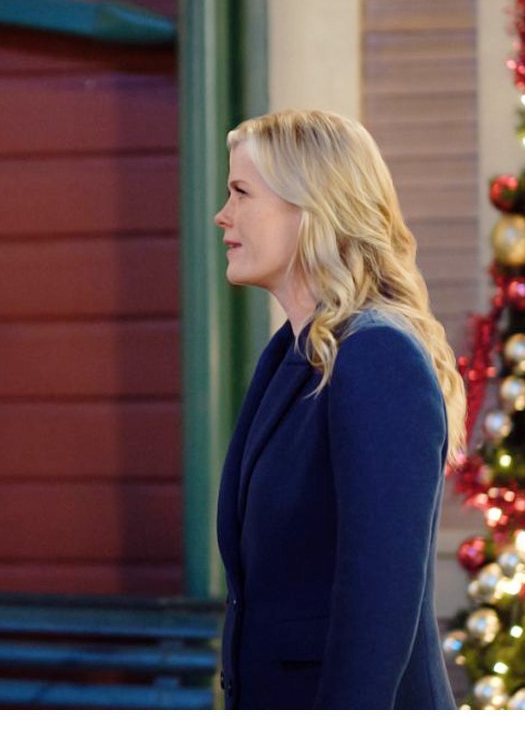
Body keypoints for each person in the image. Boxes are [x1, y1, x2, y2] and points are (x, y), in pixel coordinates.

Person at [213, 109, 467, 710]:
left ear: (310, 206)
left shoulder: (377, 355)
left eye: (241, 192)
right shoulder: (289, 356)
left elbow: (379, 602)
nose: (223, 215)